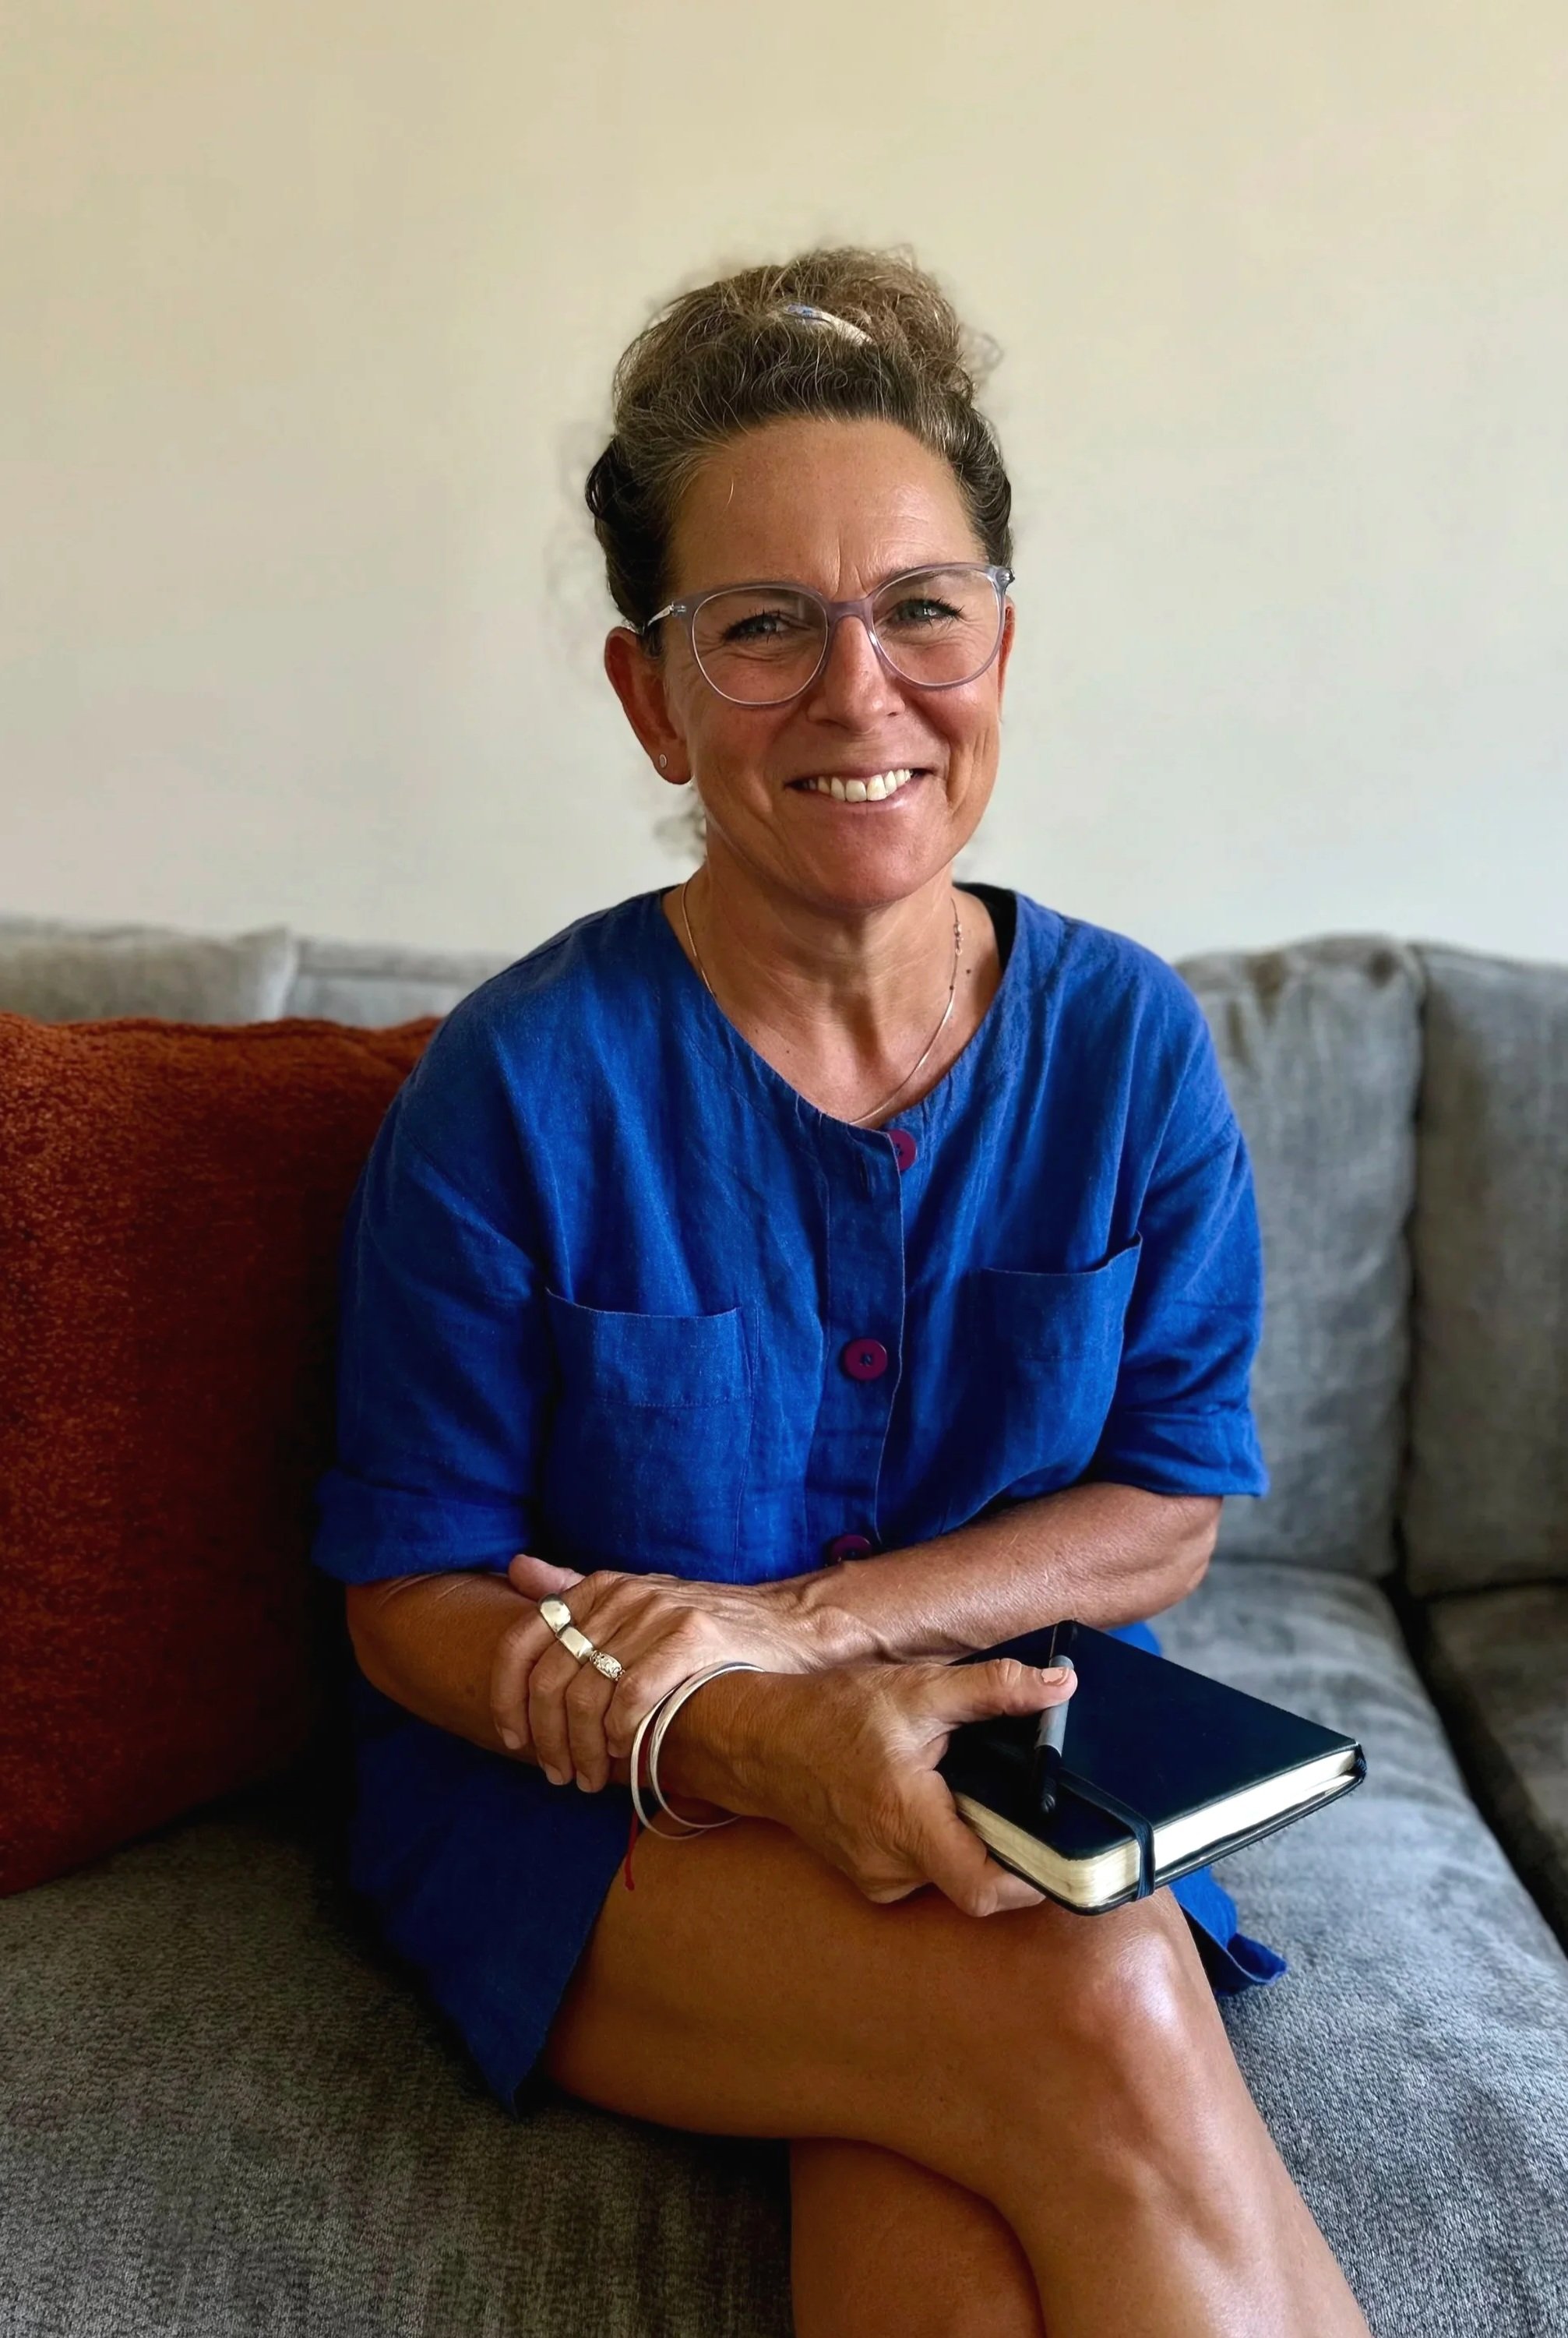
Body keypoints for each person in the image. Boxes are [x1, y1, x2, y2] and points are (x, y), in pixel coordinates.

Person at [312, 249, 1372, 2338]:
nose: (860, 690)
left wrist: (796, 1627)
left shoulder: (1127, 1044)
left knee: (951, 2240)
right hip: (603, 1821)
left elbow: (1167, 1506)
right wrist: (762, 1733)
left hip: (1004, 1780)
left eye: (920, 608)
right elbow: (409, 1597)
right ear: (655, 692)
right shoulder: (519, 1085)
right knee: (1103, 1987)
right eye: (767, 628)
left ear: (999, 641)